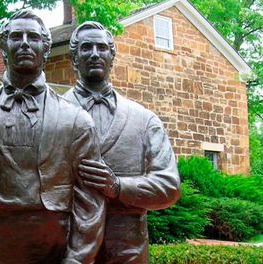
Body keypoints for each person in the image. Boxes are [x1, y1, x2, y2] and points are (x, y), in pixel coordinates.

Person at [0, 10, 106, 264]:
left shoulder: (76, 121)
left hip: (54, 252)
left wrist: (78, 259)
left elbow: (90, 202)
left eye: (34, 37)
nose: (25, 43)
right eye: (16, 36)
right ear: (3, 48)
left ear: (46, 49)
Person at [63, 21, 181, 264]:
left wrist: (118, 187)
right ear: (74, 58)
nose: (95, 54)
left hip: (128, 252)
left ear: (111, 56)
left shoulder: (144, 120)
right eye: (86, 48)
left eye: (101, 48)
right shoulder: (52, 116)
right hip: (68, 250)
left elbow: (169, 186)